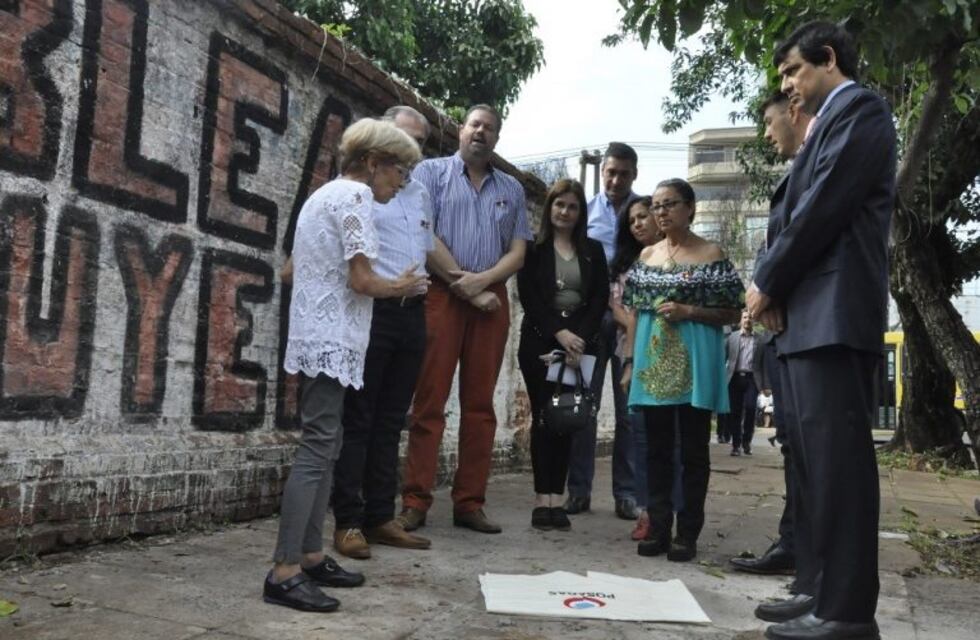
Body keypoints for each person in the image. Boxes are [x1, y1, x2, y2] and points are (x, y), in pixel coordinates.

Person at [746, 21, 896, 640]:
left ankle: (844, 612)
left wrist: (769, 282)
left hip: (834, 312)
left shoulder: (861, 111)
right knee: (814, 468)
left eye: (792, 72)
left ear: (828, 58)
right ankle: (818, 588)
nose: (788, 87)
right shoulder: (827, 125)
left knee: (839, 467)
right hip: (811, 314)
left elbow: (823, 205)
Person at [265, 119, 428, 612]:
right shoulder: (355, 199)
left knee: (329, 443)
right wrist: (402, 286)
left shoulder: (321, 196)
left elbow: (292, 270)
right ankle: (284, 570)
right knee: (318, 449)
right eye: (397, 170)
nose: (399, 182)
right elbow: (361, 281)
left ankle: (312, 555)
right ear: (374, 163)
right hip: (333, 338)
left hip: (320, 337)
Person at [399, 104, 532, 535]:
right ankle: (415, 500)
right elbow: (422, 233)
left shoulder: (511, 188)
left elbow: (517, 252)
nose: (481, 132)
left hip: (491, 301)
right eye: (475, 124)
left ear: (497, 138)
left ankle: (470, 503)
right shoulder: (430, 174)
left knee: (480, 407)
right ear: (461, 130)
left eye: (490, 128)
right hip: (441, 294)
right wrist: (464, 284)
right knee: (429, 401)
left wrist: (483, 284)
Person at [329, 106, 435, 560]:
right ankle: (348, 522)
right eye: (401, 141)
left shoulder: (421, 193)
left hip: (413, 312)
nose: (408, 156)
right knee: (359, 419)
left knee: (393, 420)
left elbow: (429, 250)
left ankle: (380, 516)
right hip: (373, 307)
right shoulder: (360, 193)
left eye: (419, 144)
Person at [621, 178, 744, 562]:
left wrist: (690, 311)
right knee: (656, 450)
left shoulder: (711, 254)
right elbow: (636, 316)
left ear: (691, 208)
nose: (661, 212)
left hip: (695, 365)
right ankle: (658, 527)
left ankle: (687, 533)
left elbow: (733, 312)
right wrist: (630, 363)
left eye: (669, 204)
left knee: (693, 452)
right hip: (654, 364)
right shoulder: (647, 258)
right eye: (656, 206)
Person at [729, 90, 812, 579]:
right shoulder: (796, 170)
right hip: (784, 332)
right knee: (792, 445)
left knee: (810, 448)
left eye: (768, 121)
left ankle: (811, 557)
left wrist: (768, 288)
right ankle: (794, 543)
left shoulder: (821, 163)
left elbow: (804, 236)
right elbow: (774, 245)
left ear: (794, 112)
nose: (766, 132)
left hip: (806, 327)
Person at [516, 179, 609, 531]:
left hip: (579, 348)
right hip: (541, 343)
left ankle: (560, 500)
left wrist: (578, 339)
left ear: (580, 212)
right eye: (559, 205)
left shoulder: (593, 250)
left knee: (567, 419)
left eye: (572, 206)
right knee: (544, 419)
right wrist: (560, 333)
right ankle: (544, 500)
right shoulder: (533, 249)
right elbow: (530, 298)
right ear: (549, 208)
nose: (565, 212)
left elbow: (599, 298)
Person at [566, 142, 640, 520]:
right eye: (610, 172)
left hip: (632, 322)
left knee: (629, 411)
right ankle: (577, 490)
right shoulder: (584, 212)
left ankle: (626, 494)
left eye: (623, 173)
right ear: (602, 172)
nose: (615, 179)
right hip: (591, 319)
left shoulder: (645, 214)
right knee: (583, 406)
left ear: (634, 175)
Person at [609, 196, 683, 541]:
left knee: (676, 439)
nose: (639, 223)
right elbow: (625, 309)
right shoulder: (628, 263)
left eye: (644, 216)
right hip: (634, 353)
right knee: (640, 437)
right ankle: (646, 512)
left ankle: (676, 513)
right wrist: (630, 360)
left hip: (673, 355)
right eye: (632, 220)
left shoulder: (679, 257)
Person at [724, 310, 766, 456]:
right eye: (745, 317)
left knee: (750, 409)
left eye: (750, 317)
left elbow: (764, 363)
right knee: (734, 412)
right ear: (740, 320)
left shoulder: (761, 340)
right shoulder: (731, 338)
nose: (748, 319)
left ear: (753, 321)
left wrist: (766, 385)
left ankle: (746, 442)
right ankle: (736, 445)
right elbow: (723, 358)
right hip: (734, 378)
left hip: (752, 379)